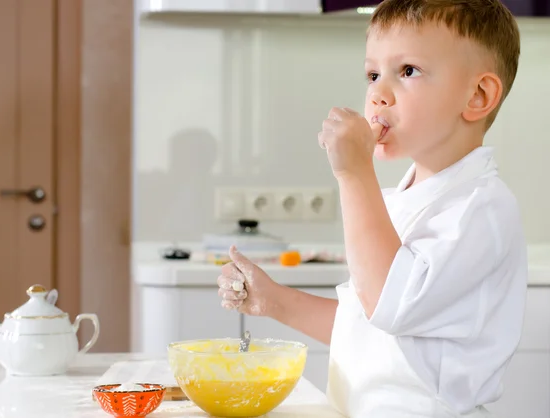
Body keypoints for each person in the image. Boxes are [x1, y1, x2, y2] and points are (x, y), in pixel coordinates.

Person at [217, 0, 528, 417]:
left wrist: (354, 173)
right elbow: (363, 328)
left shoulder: (482, 208)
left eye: (408, 71)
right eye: (372, 74)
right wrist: (273, 301)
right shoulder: (399, 200)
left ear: (477, 95)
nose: (378, 95)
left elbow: (388, 304)